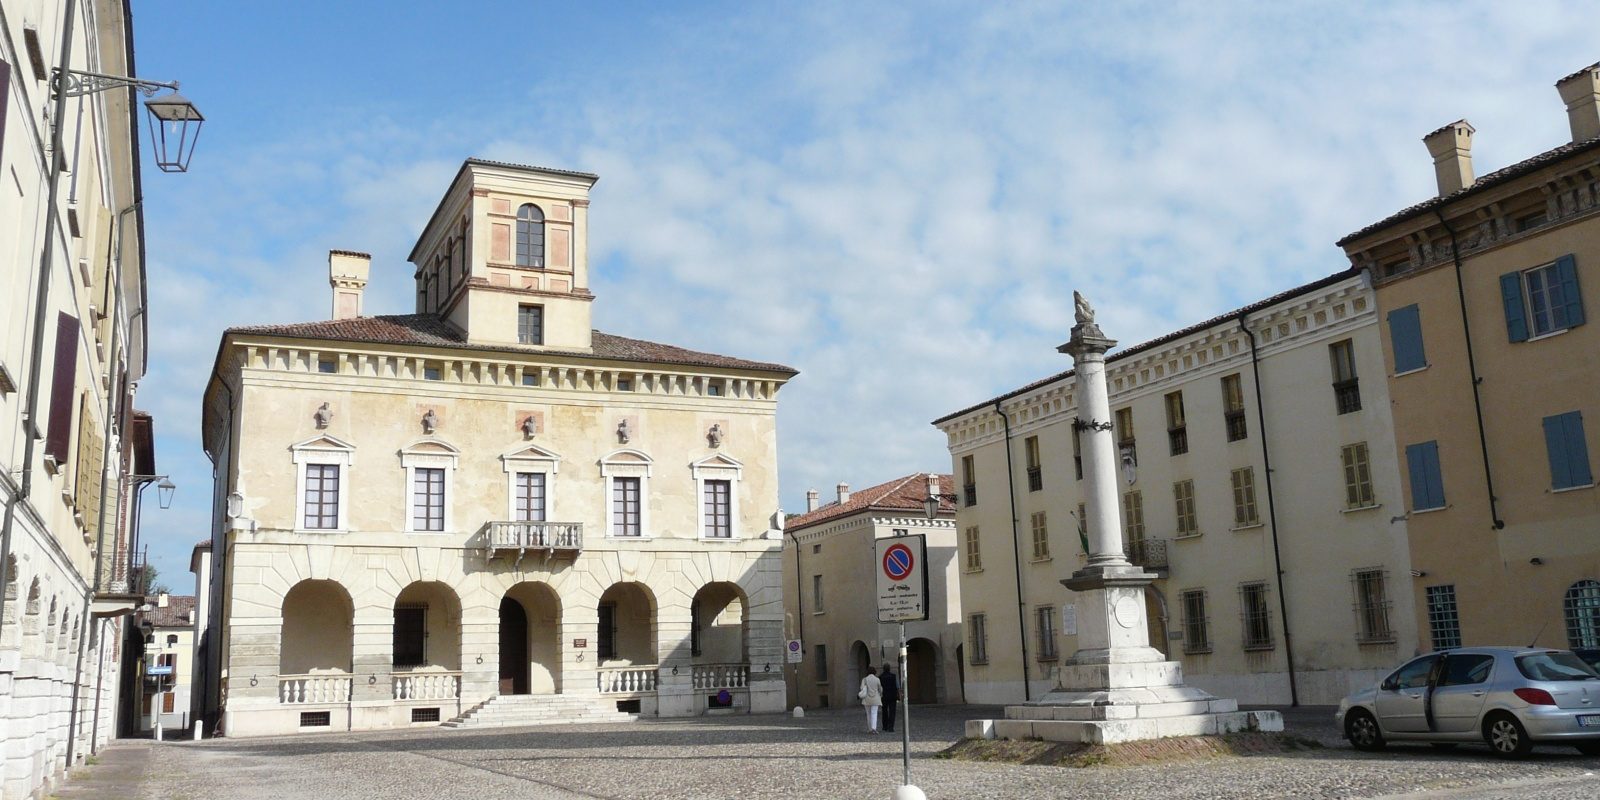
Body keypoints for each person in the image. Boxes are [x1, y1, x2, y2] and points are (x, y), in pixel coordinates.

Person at [858, 668, 883, 733]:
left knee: (868, 714)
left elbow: (861, 688)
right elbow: (880, 689)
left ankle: (870, 729)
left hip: (867, 699)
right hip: (875, 699)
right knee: (874, 713)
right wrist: (880, 694)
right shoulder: (877, 679)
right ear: (874, 672)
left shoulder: (864, 679)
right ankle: (874, 728)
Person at [879, 663, 900, 733]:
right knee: (892, 712)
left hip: (884, 696)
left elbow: (880, 688)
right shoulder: (893, 676)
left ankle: (885, 726)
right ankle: (891, 727)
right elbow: (897, 686)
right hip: (892, 696)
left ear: (883, 669)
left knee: (884, 712)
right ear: (889, 668)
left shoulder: (880, 677)